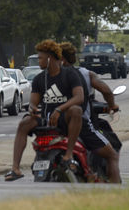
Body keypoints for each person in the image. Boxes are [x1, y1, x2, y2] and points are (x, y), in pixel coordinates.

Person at [5, 39, 87, 182]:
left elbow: (79, 97)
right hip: (46, 118)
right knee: (24, 122)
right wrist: (32, 109)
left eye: (41, 58)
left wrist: (60, 109)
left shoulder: (69, 74)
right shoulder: (38, 79)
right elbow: (33, 102)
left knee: (76, 110)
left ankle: (68, 155)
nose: (39, 61)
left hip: (64, 117)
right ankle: (15, 168)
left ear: (50, 58)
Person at [57, 41, 122, 183]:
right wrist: (112, 106)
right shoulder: (85, 74)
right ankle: (116, 192)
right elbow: (106, 91)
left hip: (53, 123)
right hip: (80, 123)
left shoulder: (48, 76)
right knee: (112, 155)